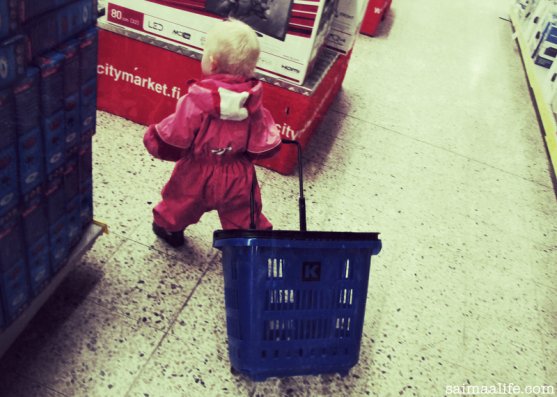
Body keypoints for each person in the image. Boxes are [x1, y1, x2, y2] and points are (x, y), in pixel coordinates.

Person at [144, 19, 281, 247]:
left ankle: (169, 228)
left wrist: (154, 140)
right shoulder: (254, 105)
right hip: (237, 175)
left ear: (212, 62)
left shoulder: (194, 102)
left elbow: (176, 135)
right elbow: (261, 142)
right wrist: (245, 159)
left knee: (180, 201)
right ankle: (247, 244)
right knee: (244, 214)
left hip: (196, 169)